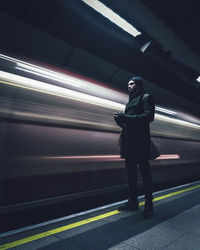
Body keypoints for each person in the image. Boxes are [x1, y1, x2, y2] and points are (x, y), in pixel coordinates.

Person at [113, 76, 155, 219]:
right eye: (128, 84)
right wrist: (120, 120)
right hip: (128, 142)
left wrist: (126, 118)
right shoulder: (129, 103)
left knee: (145, 174)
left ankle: (149, 205)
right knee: (131, 174)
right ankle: (133, 202)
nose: (129, 86)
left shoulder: (146, 97)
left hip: (140, 142)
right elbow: (129, 123)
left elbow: (149, 117)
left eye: (131, 83)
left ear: (139, 85)